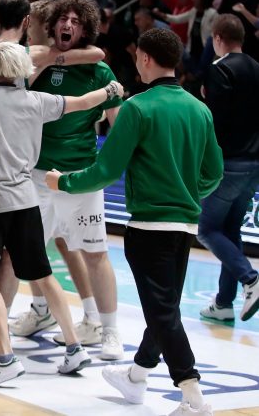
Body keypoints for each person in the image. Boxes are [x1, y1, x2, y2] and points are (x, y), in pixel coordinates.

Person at [46, 28, 222, 416]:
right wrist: (187, 193)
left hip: (148, 227)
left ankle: (192, 396)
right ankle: (137, 375)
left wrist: (64, 181)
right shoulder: (199, 109)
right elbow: (214, 172)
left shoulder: (138, 108)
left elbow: (106, 170)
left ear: (144, 58)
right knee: (166, 307)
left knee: (162, 312)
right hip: (185, 226)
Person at [0, 42, 121, 387]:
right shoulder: (37, 101)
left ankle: (5, 358)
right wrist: (111, 90)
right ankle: (74, 347)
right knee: (43, 273)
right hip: (26, 201)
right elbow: (84, 103)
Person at [11, 0, 124, 362]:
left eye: (76, 21)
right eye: (64, 19)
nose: (68, 25)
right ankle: (31, 315)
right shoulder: (36, 59)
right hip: (38, 174)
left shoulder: (99, 71)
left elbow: (116, 124)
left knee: (95, 253)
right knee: (23, 252)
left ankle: (109, 331)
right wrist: (41, 62)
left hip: (82, 178)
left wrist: (111, 166)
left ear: (85, 29)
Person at [199, 14, 259, 323]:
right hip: (254, 164)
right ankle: (224, 303)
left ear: (217, 38)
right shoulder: (257, 68)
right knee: (230, 230)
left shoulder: (219, 70)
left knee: (207, 229)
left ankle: (251, 279)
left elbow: (213, 122)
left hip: (228, 163)